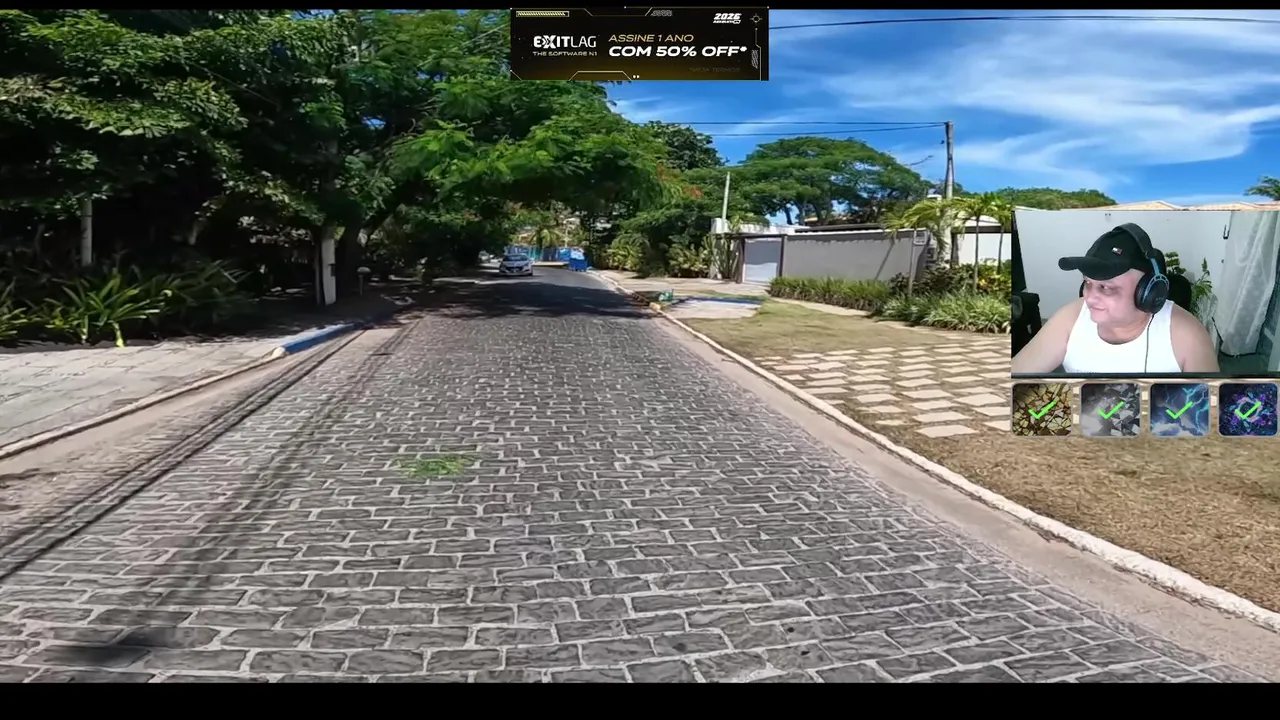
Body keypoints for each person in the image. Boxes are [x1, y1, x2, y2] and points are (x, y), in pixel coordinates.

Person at [1011, 223, 1219, 374]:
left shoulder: (1187, 336)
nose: (1090, 297)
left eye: (1106, 287)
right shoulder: (1070, 319)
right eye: (1088, 283)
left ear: (1149, 292)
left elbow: (1209, 411)